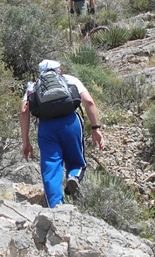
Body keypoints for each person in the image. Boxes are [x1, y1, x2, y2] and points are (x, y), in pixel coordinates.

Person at [20, 59, 105, 208]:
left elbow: (24, 110)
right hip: (70, 123)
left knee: (51, 168)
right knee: (76, 162)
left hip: (46, 127)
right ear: (59, 70)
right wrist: (95, 128)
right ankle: (73, 177)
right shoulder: (69, 79)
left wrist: (26, 141)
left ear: (40, 73)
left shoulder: (33, 86)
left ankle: (57, 207)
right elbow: (89, 102)